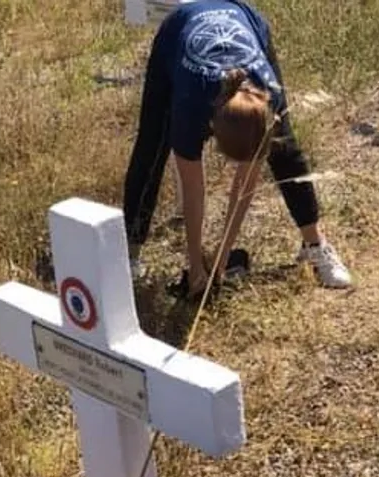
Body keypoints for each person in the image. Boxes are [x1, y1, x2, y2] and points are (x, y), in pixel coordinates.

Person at [124, 0, 353, 298]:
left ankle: (314, 245)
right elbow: (194, 190)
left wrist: (223, 253)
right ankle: (129, 251)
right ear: (211, 128)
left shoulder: (268, 97)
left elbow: (243, 186)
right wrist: (195, 264)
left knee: (285, 147)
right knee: (152, 144)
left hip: (244, 17)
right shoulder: (190, 104)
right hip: (177, 30)